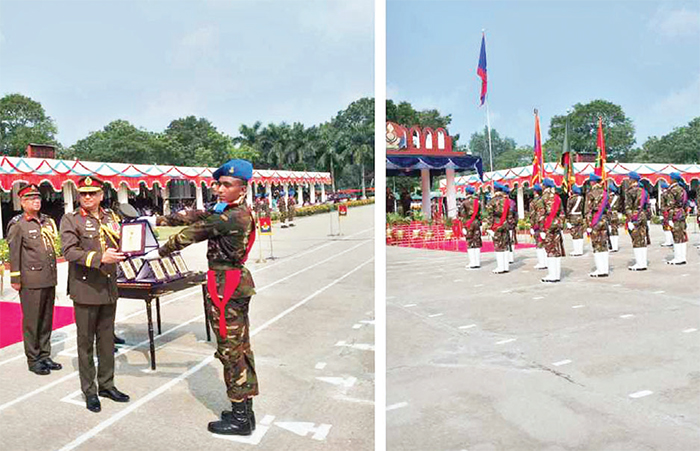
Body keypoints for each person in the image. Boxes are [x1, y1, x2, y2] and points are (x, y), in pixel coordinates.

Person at [146, 159, 258, 436]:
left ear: (242, 188)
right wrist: (157, 219)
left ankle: (241, 419)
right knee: (239, 347)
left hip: (226, 285)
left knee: (231, 351)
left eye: (226, 185)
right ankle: (243, 410)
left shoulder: (231, 217)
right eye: (218, 184)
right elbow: (196, 216)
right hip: (231, 282)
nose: (219, 189)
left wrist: (156, 252)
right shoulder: (228, 210)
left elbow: (192, 233)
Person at [60, 176, 129, 413]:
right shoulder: (71, 219)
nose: (87, 197)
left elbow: (122, 241)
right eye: (83, 193)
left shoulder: (111, 217)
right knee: (86, 342)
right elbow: (69, 252)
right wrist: (101, 259)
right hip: (86, 288)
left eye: (92, 193)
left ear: (101, 195)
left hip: (109, 286)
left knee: (107, 340)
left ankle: (107, 384)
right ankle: (90, 391)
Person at [7, 184, 61, 376]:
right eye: (31, 199)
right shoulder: (18, 224)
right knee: (32, 321)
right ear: (22, 202)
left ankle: (45, 354)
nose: (36, 201)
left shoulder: (46, 221)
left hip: (48, 278)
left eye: (37, 198)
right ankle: (33, 358)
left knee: (47, 320)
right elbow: (14, 254)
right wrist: (16, 279)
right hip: (30, 280)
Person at [538, 178, 565, 283]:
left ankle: (552, 275)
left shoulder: (543, 198)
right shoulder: (557, 198)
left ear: (545, 186)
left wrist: (542, 229)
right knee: (556, 249)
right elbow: (562, 213)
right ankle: (556, 274)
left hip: (547, 225)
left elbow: (541, 215)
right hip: (557, 225)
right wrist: (561, 225)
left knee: (550, 250)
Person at [584, 174, 609, 277]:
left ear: (592, 182)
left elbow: (588, 210)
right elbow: (608, 208)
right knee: (604, 244)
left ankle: (600, 269)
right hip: (604, 219)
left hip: (595, 220)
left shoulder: (591, 193)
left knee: (596, 245)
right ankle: (605, 269)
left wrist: (589, 225)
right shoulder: (605, 193)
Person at [625, 171, 650, 271]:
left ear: (631, 179)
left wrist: (630, 220)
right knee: (642, 239)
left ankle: (640, 263)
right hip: (642, 215)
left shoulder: (630, 191)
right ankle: (642, 262)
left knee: (636, 240)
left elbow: (628, 207)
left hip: (635, 216)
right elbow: (647, 206)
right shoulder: (643, 191)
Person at [486, 182, 511, 274]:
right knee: (505, 245)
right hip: (505, 224)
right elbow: (510, 213)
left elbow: (490, 215)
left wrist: (489, 227)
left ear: (495, 190)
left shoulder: (493, 201)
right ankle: (506, 266)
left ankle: (500, 267)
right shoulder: (506, 200)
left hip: (496, 224)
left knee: (498, 245)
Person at [665, 172, 689, 265]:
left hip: (675, 214)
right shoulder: (682, 189)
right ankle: (682, 257)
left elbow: (670, 205)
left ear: (673, 179)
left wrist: (670, 218)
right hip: (681, 213)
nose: (669, 180)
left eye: (670, 178)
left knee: (676, 236)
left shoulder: (673, 190)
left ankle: (678, 257)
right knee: (682, 236)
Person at [459, 185, 482, 269]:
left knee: (470, 242)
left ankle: (472, 262)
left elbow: (462, 215)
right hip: (476, 222)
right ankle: (477, 262)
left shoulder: (464, 202)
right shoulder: (477, 201)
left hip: (469, 223)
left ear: (466, 192)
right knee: (477, 241)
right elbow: (480, 214)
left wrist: (464, 226)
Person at [529, 183, 547, 269]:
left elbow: (536, 215)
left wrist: (533, 226)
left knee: (539, 244)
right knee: (544, 243)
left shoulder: (535, 201)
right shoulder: (543, 199)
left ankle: (542, 262)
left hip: (538, 225)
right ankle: (545, 262)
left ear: (535, 191)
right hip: (544, 224)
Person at [566, 185, 585, 256]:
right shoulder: (582, 198)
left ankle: (576, 250)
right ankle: (580, 250)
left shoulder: (571, 199)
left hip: (573, 217)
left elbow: (568, 210)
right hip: (580, 215)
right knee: (580, 233)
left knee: (574, 234)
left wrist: (567, 220)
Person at [607, 182, 622, 252]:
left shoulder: (608, 197)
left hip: (610, 214)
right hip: (616, 214)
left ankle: (612, 246)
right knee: (615, 230)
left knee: (611, 230)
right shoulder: (617, 197)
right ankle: (615, 246)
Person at [659, 180, 674, 247]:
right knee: (669, 227)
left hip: (666, 213)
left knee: (666, 227)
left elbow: (665, 205)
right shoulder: (669, 193)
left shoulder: (664, 194)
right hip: (667, 212)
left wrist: (662, 214)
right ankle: (670, 240)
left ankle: (668, 241)